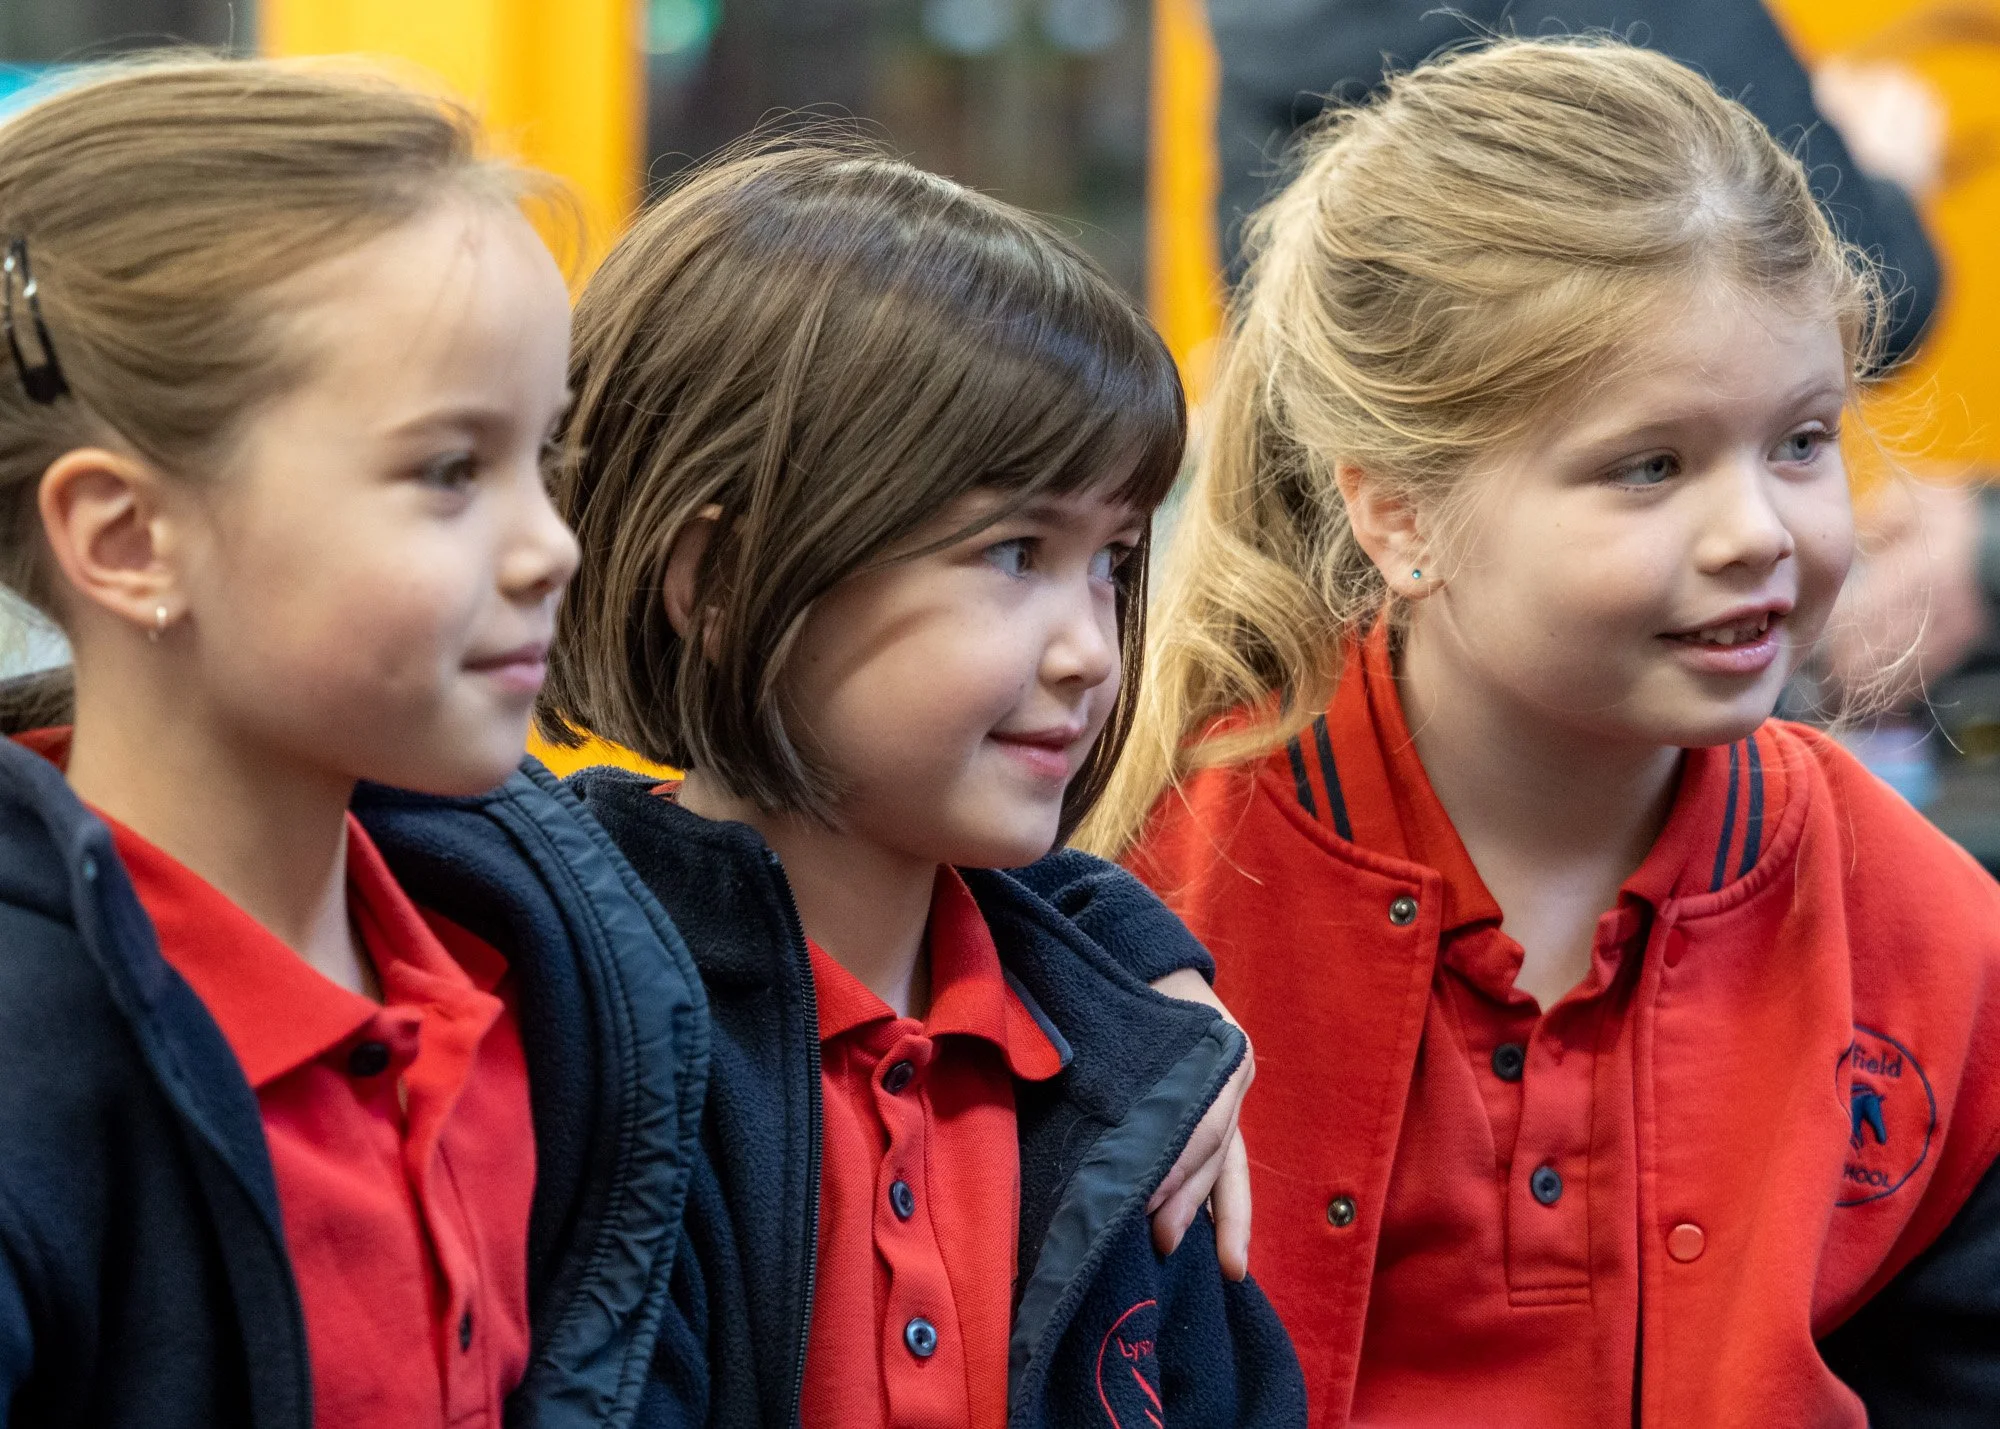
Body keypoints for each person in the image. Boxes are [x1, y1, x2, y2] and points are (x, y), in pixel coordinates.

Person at [1083, 36, 2000, 1428]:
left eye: (1802, 442)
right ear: (1396, 512)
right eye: (1652, 465)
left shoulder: (1930, 935)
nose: (1758, 531)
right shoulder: (1144, 891)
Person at [535, 141, 1308, 1429]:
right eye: (1013, 552)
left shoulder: (1117, 1057)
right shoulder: (577, 1008)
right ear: (716, 581)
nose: (1088, 649)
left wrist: (1137, 987)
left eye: (1112, 560)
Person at [0, 60, 707, 1427]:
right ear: (129, 539)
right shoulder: (37, 1079)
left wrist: (1141, 985)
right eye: (451, 470)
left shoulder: (545, 967)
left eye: (542, 460)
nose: (551, 544)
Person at [1207, 0, 1943, 368]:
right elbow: (1867, 302)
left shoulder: (1262, 41)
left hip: (1383, 605)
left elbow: (1269, 321)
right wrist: (1884, 171)